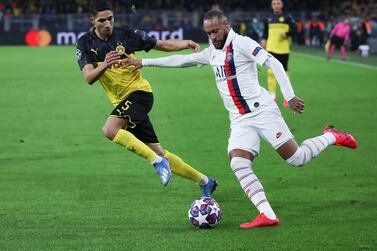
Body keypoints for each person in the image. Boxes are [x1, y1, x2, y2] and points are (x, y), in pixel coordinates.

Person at [124, 9, 358, 229]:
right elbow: (182, 60)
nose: (212, 36)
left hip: (262, 111)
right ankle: (267, 214)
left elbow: (273, 62)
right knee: (238, 162)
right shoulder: (212, 52)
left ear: (226, 25)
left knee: (296, 159)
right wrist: (144, 62)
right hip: (239, 118)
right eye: (208, 33)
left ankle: (331, 136)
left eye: (215, 31)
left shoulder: (242, 43)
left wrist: (290, 96)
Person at [75, 0, 217, 196]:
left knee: (110, 130)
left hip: (140, 94)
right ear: (92, 20)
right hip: (122, 103)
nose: (108, 24)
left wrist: (185, 43)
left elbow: (161, 44)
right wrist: (105, 65)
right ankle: (205, 181)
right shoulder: (84, 43)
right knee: (159, 151)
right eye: (102, 20)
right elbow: (89, 77)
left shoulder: (126, 35)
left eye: (110, 19)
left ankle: (157, 163)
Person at [261, 0, 295, 107]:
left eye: (278, 3)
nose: (276, 6)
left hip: (284, 49)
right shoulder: (268, 18)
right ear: (272, 6)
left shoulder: (288, 17)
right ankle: (272, 97)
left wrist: (287, 34)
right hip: (271, 48)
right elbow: (265, 32)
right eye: (274, 4)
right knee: (271, 72)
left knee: (284, 72)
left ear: (282, 5)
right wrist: (263, 40)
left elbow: (295, 28)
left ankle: (288, 97)